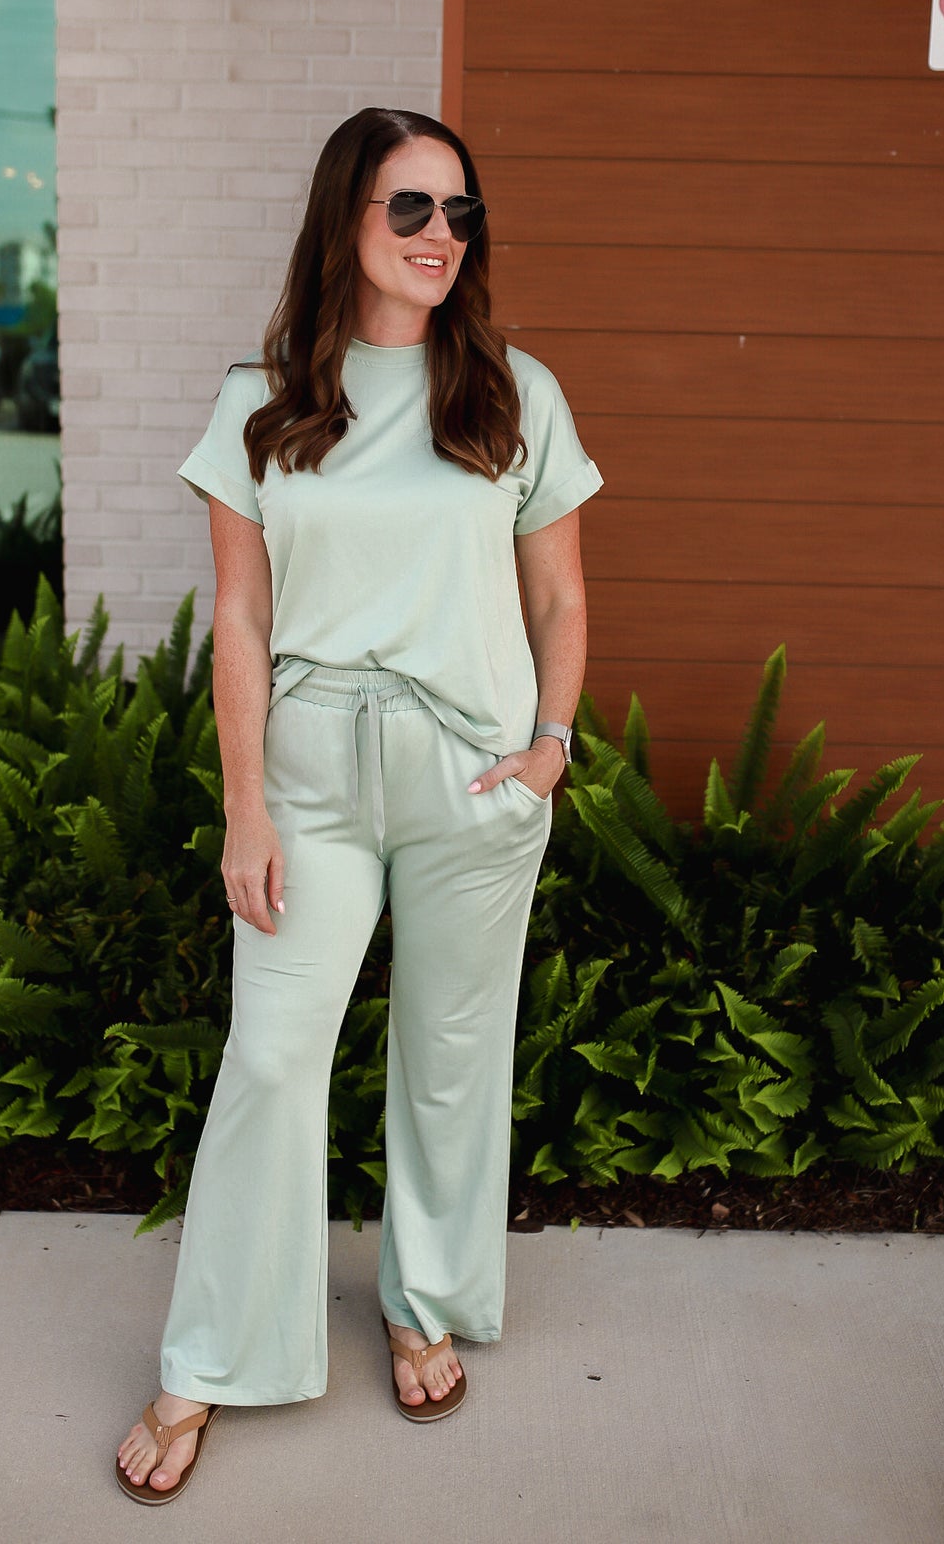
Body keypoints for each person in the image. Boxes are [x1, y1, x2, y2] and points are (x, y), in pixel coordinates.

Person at [115, 107, 602, 1504]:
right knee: (271, 1058)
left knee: (451, 1057)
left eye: (460, 211)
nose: (441, 234)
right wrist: (245, 809)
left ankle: (421, 1298)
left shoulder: (514, 394)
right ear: (346, 219)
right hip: (312, 778)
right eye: (410, 207)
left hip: (474, 774)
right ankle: (214, 1353)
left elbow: (560, 597)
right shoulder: (261, 400)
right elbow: (241, 621)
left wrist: (551, 746)